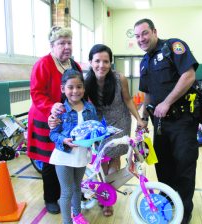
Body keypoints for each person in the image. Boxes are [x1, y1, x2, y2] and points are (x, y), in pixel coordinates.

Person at [50, 44, 146, 217]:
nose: (101, 65)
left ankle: (108, 199)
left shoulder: (119, 78)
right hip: (96, 121)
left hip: (119, 120)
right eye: (97, 61)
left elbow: (128, 99)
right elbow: (73, 101)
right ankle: (103, 195)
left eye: (106, 61)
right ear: (90, 62)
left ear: (111, 63)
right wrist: (55, 110)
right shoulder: (85, 81)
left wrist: (139, 119)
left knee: (114, 159)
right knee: (101, 159)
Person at [134, 18, 199, 224]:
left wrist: (167, 102)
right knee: (163, 166)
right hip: (159, 125)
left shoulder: (173, 46)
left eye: (144, 33)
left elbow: (188, 75)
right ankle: (169, 201)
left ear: (154, 31)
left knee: (184, 166)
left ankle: (184, 211)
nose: (141, 39)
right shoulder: (144, 62)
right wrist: (143, 118)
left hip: (182, 121)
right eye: (137, 36)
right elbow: (147, 94)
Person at [27, 26, 82, 214]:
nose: (66, 46)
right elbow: (36, 93)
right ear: (52, 45)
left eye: (69, 42)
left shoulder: (75, 66)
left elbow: (81, 90)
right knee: (51, 160)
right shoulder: (43, 64)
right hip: (45, 118)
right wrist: (52, 107)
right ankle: (50, 198)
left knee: (68, 157)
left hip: (68, 121)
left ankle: (68, 193)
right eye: (61, 43)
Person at [49, 69, 96, 224]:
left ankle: (77, 215)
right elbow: (53, 134)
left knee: (77, 187)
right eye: (70, 87)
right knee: (67, 191)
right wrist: (64, 140)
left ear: (84, 88)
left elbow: (94, 128)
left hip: (81, 155)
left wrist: (100, 136)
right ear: (63, 89)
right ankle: (66, 221)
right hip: (63, 155)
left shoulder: (90, 108)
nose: (75, 91)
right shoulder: (59, 110)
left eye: (79, 86)